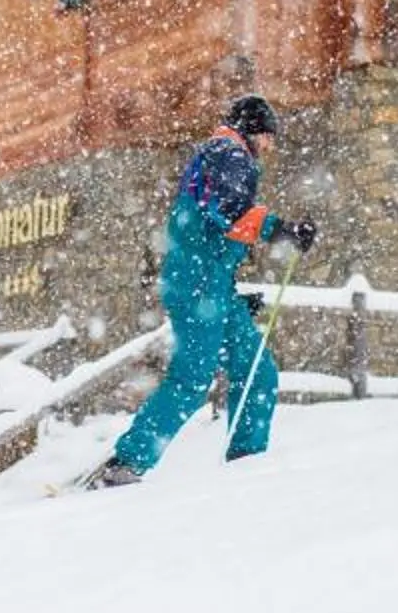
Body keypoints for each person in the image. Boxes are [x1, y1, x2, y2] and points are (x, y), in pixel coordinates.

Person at [87, 96, 318, 488]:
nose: (270, 147)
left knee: (257, 373)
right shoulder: (230, 153)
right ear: (253, 131)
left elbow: (207, 234)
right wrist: (282, 230)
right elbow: (227, 214)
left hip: (211, 289)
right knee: (192, 380)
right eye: (268, 137)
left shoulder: (219, 155)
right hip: (199, 289)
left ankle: (247, 466)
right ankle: (125, 464)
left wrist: (232, 296)